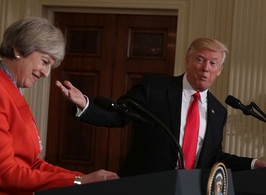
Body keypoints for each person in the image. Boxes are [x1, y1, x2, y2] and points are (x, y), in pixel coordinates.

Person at [55, 37, 266, 177]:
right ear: (188, 60)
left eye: (213, 63)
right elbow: (118, 116)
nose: (205, 68)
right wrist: (85, 104)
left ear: (219, 70)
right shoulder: (154, 88)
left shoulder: (218, 111)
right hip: (144, 188)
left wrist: (254, 164)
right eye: (200, 59)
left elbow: (212, 157)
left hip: (189, 194)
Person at [0, 17, 119, 195]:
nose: (46, 73)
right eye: (45, 62)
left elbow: (33, 164)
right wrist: (79, 181)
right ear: (19, 50)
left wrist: (84, 178)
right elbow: (6, 173)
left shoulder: (9, 90)